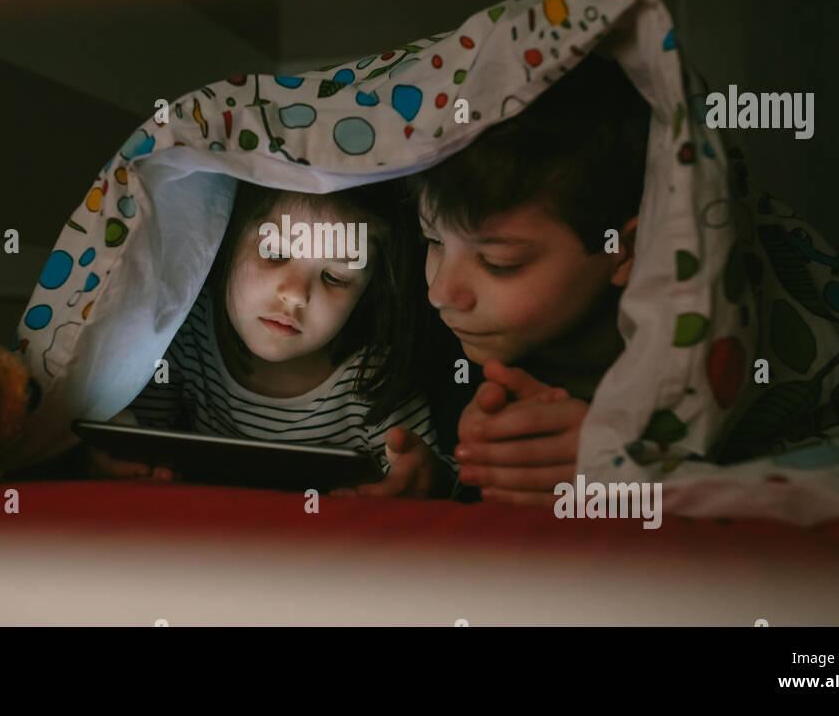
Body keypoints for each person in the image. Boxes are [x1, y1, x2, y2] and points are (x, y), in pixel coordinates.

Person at [87, 179, 454, 498]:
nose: (294, 294)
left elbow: (432, 477)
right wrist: (122, 458)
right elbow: (146, 441)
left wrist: (427, 479)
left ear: (366, 294)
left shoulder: (375, 375)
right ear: (227, 244)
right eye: (275, 254)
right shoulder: (188, 329)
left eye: (335, 277)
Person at [404, 52, 651, 504]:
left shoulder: (689, 366)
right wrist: (441, 486)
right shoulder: (436, 353)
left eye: (499, 263)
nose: (440, 294)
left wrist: (628, 477)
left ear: (623, 250)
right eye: (432, 241)